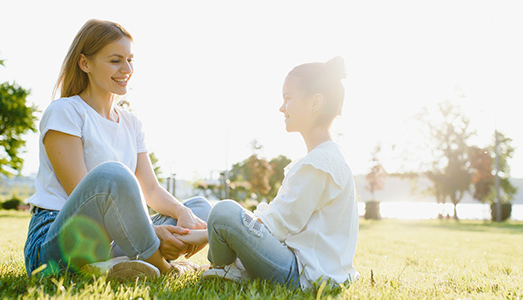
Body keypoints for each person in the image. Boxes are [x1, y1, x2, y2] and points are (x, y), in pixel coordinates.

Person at [23, 19, 211, 279]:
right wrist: (150, 232)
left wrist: (183, 214)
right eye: (115, 61)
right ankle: (165, 269)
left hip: (106, 241)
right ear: (84, 63)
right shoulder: (65, 112)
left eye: (130, 59)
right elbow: (83, 193)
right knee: (112, 174)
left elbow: (151, 190)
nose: (126, 69)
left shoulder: (131, 122)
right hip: (55, 242)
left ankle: (116, 263)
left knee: (200, 207)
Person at [177, 57, 359, 289]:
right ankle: (224, 269)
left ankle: (224, 269)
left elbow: (277, 224)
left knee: (224, 212)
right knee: (226, 214)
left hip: (301, 275)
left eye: (288, 98)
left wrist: (208, 233)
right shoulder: (321, 159)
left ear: (315, 103)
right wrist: (211, 230)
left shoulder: (321, 162)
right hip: (297, 266)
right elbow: (275, 215)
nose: (281, 108)